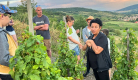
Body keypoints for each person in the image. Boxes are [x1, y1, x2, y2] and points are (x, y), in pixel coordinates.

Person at [0, 4, 17, 80]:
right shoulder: (1, 34)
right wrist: (20, 59)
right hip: (7, 73)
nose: (10, 19)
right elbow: (4, 59)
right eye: (9, 16)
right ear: (2, 16)